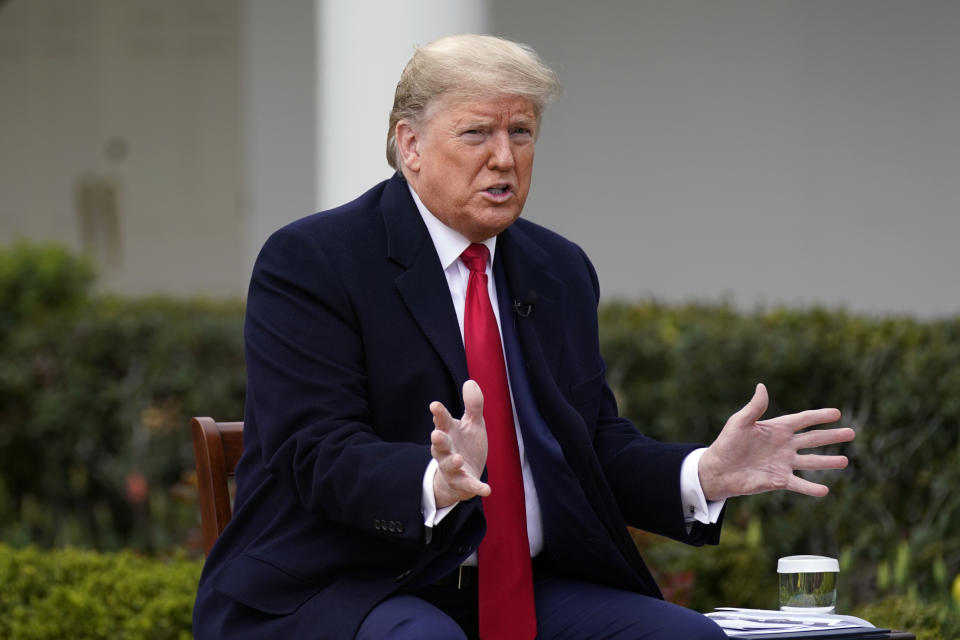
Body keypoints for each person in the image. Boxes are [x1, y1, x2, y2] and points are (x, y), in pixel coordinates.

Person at [192, 34, 855, 640]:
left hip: (525, 588)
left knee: (687, 638)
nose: (504, 157)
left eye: (522, 132)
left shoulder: (557, 269)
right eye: (476, 132)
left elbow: (591, 443)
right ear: (410, 145)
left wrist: (702, 472)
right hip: (352, 585)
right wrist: (433, 480)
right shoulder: (313, 261)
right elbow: (315, 449)